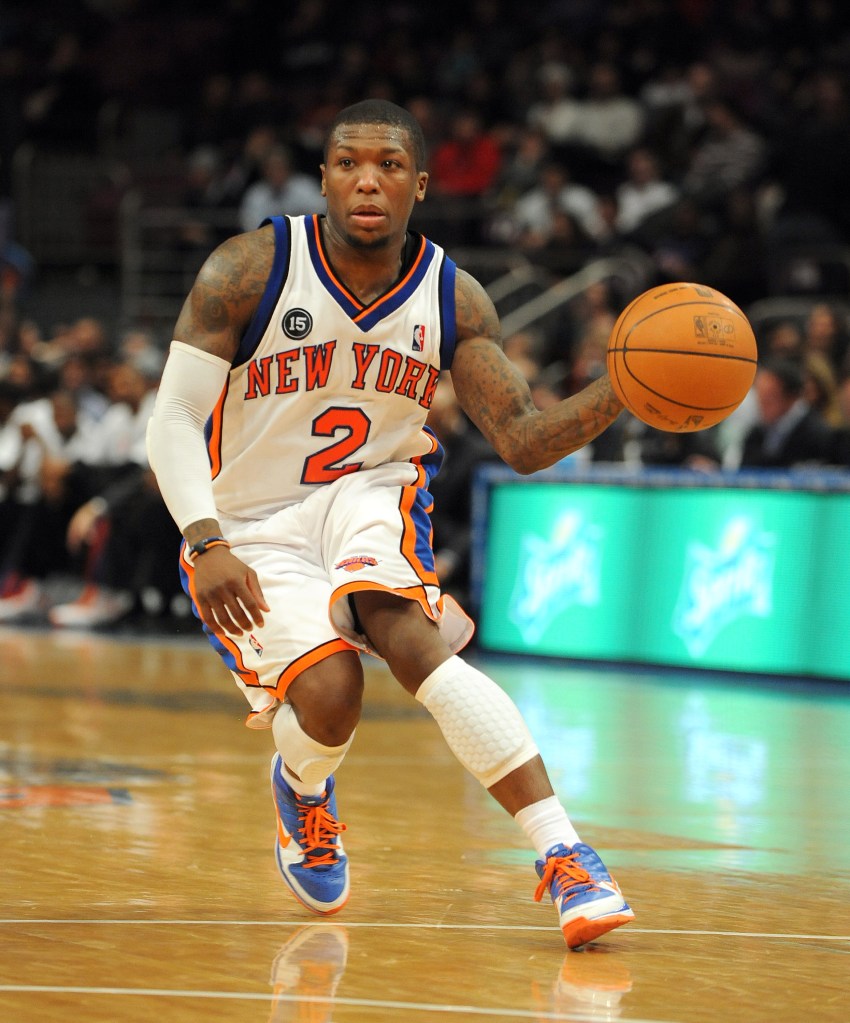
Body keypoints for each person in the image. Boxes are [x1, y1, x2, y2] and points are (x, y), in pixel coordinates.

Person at [146, 99, 633, 950]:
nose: (367, 177)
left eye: (389, 164)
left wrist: (624, 390)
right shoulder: (250, 268)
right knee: (333, 699)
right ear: (326, 177)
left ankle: (566, 853)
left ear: (421, 184)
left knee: (410, 634)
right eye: (348, 162)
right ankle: (303, 785)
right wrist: (205, 538)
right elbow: (174, 419)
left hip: (371, 489)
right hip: (247, 517)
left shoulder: (454, 296)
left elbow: (519, 438)